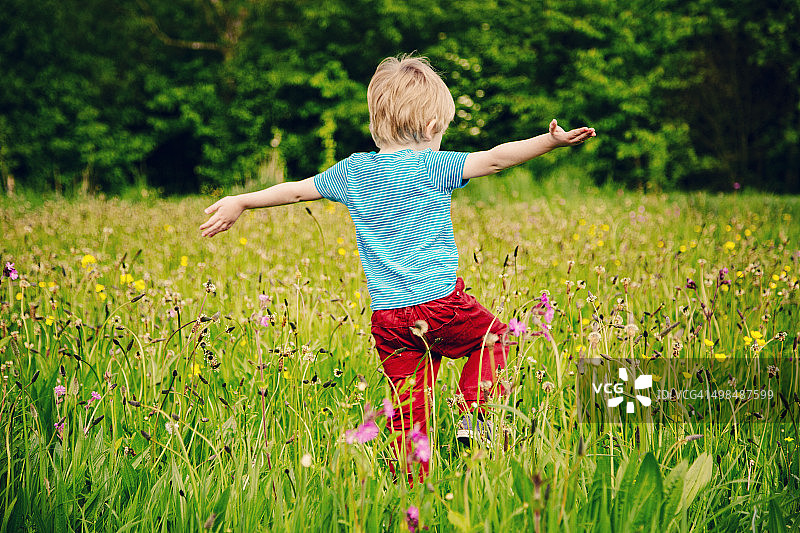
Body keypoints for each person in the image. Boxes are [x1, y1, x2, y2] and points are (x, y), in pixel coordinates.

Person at [199, 54, 595, 482]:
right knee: (496, 339)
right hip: (442, 305)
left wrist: (241, 200)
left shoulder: (351, 172)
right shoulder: (431, 166)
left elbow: (295, 191)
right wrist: (549, 141)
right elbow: (496, 159)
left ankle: (412, 492)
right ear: (430, 129)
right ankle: (473, 416)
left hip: (389, 319)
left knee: (408, 414)